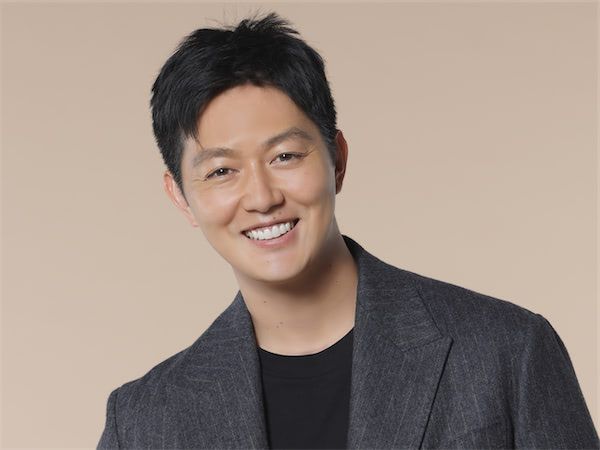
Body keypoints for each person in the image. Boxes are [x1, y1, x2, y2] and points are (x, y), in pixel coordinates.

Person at [97, 11, 599, 450]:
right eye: (222, 171)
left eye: (285, 156)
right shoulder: (142, 423)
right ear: (180, 196)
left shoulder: (507, 352)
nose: (262, 197)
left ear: (337, 159)